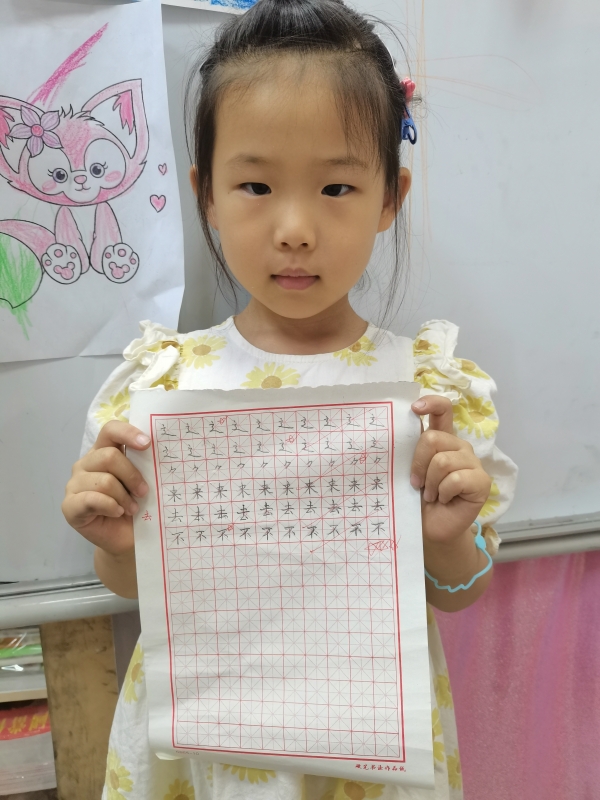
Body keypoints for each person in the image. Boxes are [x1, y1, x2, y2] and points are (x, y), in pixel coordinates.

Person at [62, 1, 517, 797]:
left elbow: (460, 590)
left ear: (390, 197)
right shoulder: (162, 385)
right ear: (207, 195)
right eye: (255, 185)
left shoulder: (430, 391)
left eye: (337, 186)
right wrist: (118, 542)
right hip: (209, 744)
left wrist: (448, 537)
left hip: (370, 743)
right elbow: (133, 586)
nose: (296, 228)